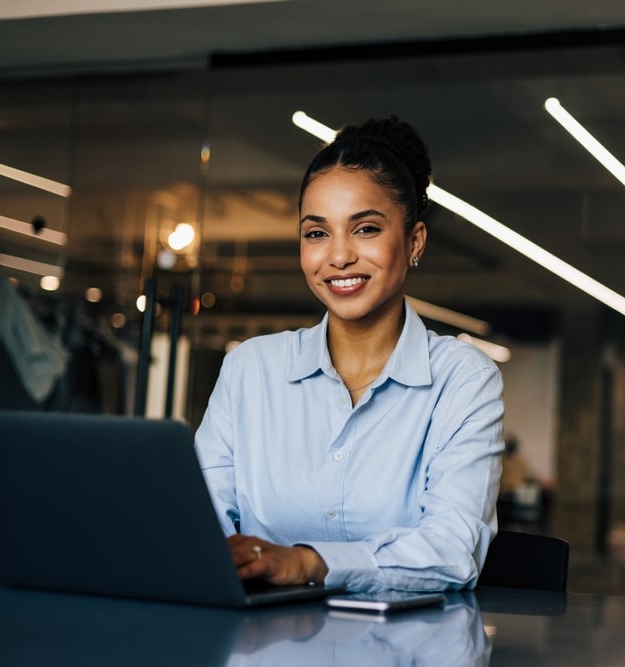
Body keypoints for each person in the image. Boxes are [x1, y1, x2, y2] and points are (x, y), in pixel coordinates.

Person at [193, 116, 505, 594]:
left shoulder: (462, 380)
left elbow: (450, 550)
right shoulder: (250, 368)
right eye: (317, 233)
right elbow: (199, 530)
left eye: (365, 229)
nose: (338, 257)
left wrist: (308, 562)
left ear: (414, 241)